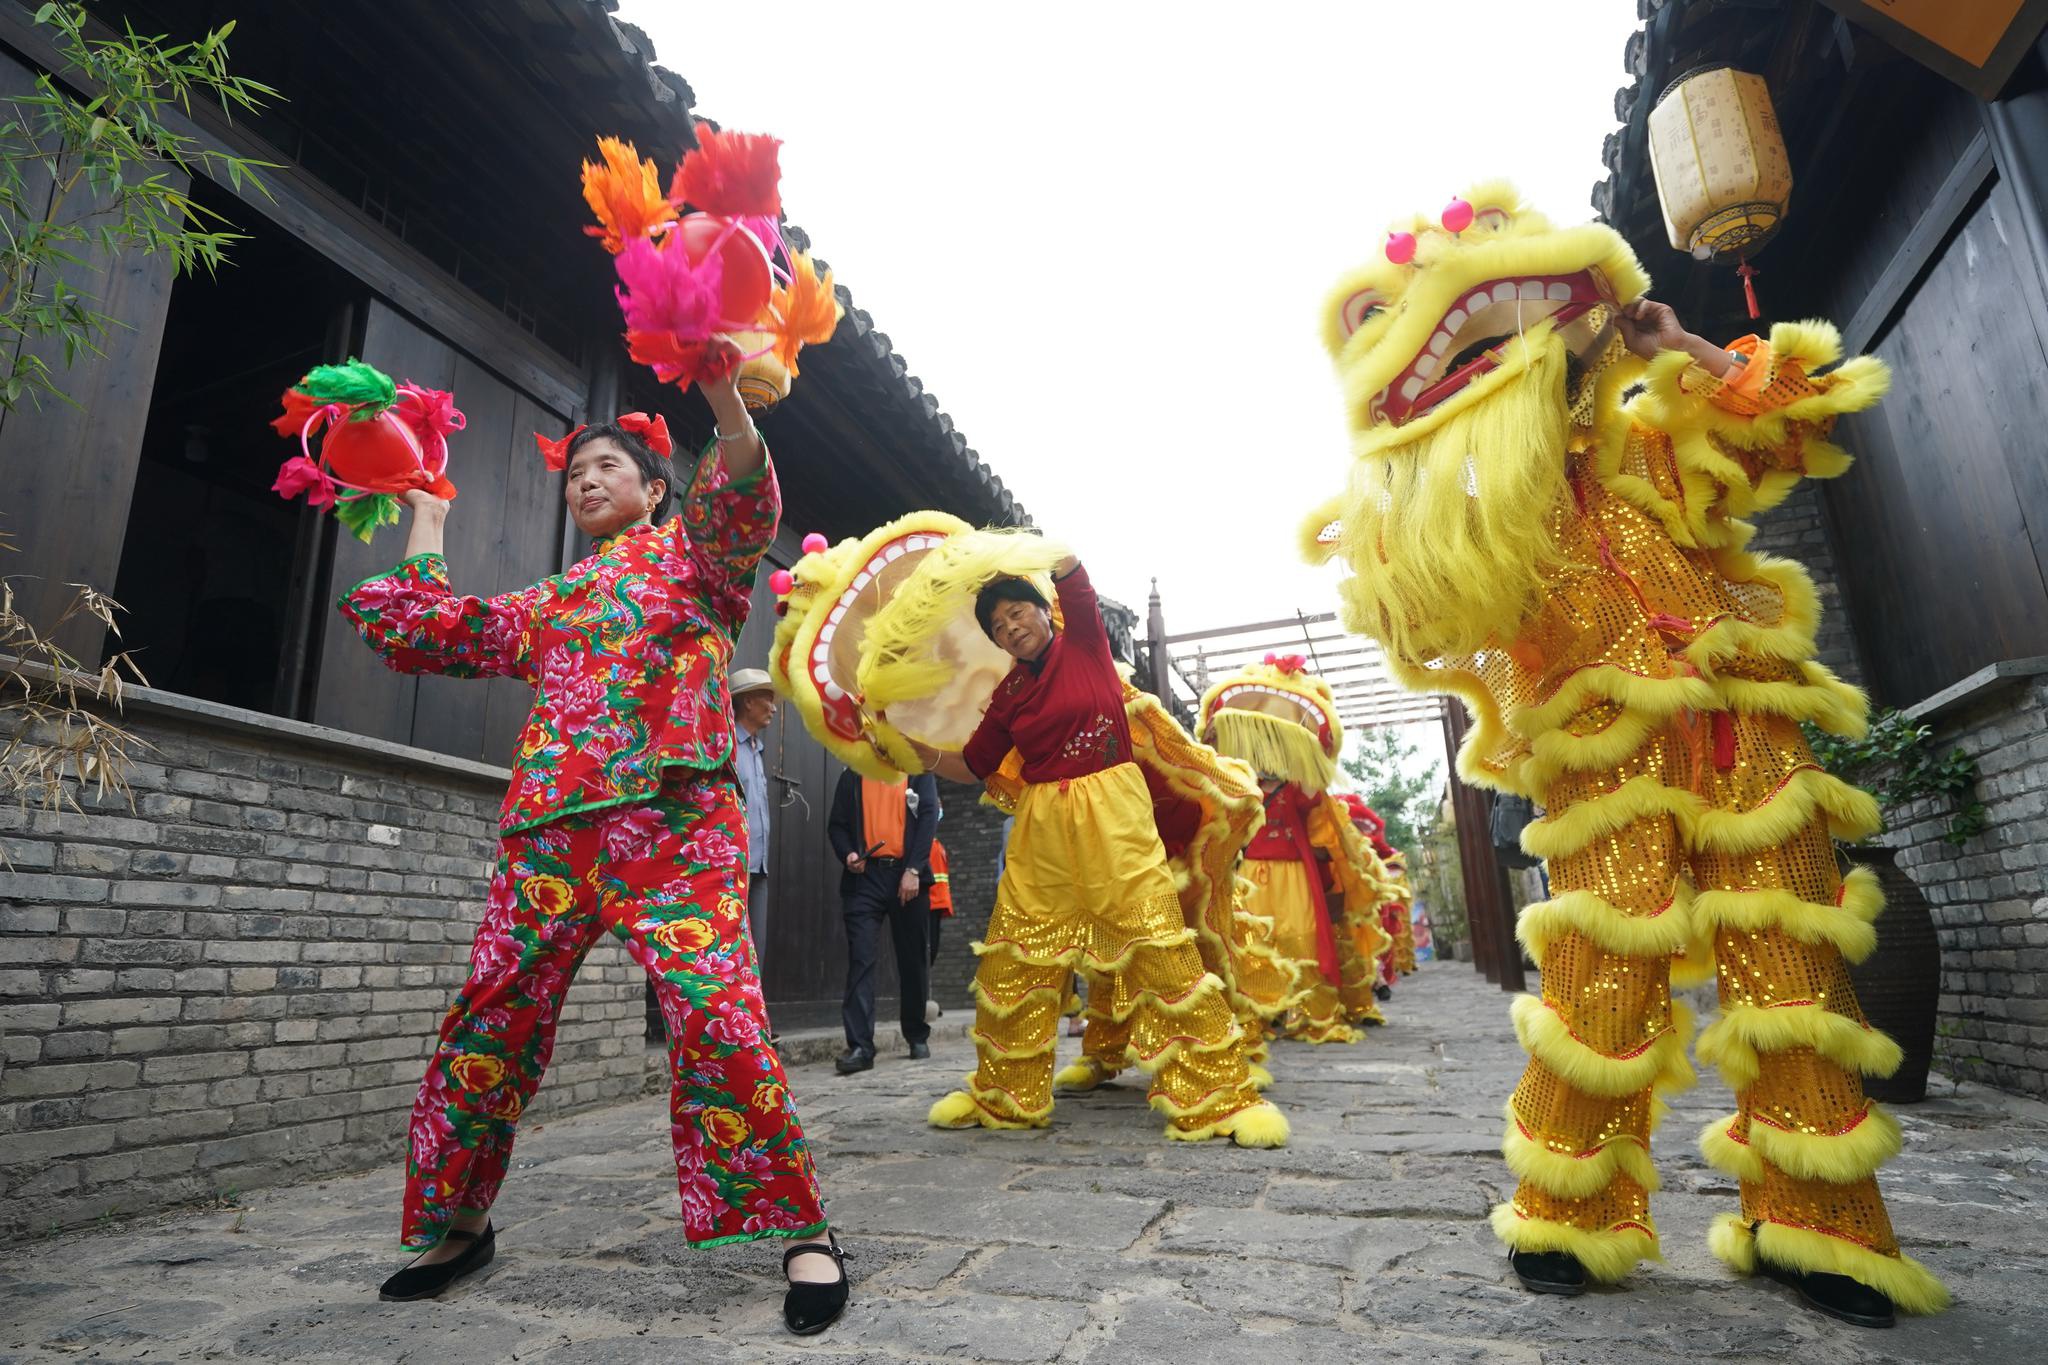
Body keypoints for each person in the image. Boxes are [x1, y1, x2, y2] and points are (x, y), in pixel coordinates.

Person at [1304, 184, 1945, 1323]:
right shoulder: (1480, 511)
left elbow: (1799, 427)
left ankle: (1813, 1226)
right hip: (1602, 761)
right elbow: (1413, 609)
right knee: (1603, 981)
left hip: (1746, 731)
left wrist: (1680, 343)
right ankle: (1566, 1209)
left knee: (1792, 976)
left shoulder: (1654, 442)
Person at [339, 343, 849, 1335]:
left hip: (673, 821)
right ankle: (459, 1221)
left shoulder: (696, 558)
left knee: (715, 1015)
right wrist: (430, 514)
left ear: (659, 490)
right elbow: (428, 631)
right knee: (490, 1020)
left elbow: (743, 492)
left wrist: (716, 395)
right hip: (549, 838)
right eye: (575, 473)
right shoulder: (550, 603)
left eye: (605, 465)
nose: (584, 479)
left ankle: (800, 1227)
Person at [911, 553, 1287, 1146]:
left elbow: (1071, 572)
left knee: (1158, 947)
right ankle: (1005, 1095)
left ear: (1043, 610)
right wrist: (920, 752)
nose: (1012, 629)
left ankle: (1217, 1096)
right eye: (999, 627)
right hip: (1042, 829)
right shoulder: (1007, 693)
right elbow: (979, 764)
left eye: (1018, 613)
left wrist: (1006, 551)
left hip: (1114, 816)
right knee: (1016, 955)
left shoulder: (1082, 644)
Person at [828, 768, 939, 1072]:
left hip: (907, 874)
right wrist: (848, 854)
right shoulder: (852, 773)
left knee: (913, 957)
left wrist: (914, 869)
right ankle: (861, 1046)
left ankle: (916, 1034)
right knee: (861, 958)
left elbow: (928, 816)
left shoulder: (917, 771)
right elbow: (836, 825)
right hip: (865, 878)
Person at [730, 667, 778, 983]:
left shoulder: (756, 749)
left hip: (757, 864)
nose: (773, 707)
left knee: (755, 949)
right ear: (748, 702)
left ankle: (753, 1026)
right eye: (767, 698)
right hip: (734, 863)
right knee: (732, 946)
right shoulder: (730, 743)